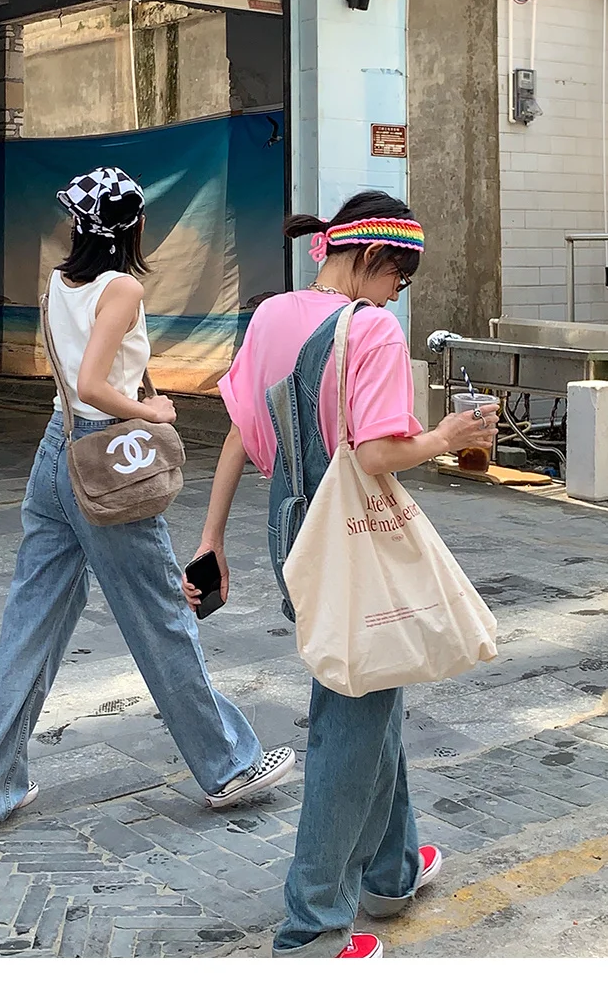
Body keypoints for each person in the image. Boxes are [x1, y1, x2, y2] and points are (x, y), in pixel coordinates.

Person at [182, 190, 498, 959]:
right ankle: (314, 929)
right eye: (400, 278)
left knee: (370, 688)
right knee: (347, 729)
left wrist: (212, 537)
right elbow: (378, 453)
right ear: (374, 257)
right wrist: (447, 435)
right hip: (354, 537)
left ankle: (391, 871)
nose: (398, 295)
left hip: (291, 531)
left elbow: (241, 435)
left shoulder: (270, 317)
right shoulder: (374, 330)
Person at [0, 166, 295, 827]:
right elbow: (94, 384)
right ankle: (227, 765)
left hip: (56, 453)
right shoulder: (122, 288)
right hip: (107, 460)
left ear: (79, 223)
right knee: (160, 617)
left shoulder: (61, 281)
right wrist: (154, 411)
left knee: (32, 623)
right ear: (135, 225)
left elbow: (75, 379)